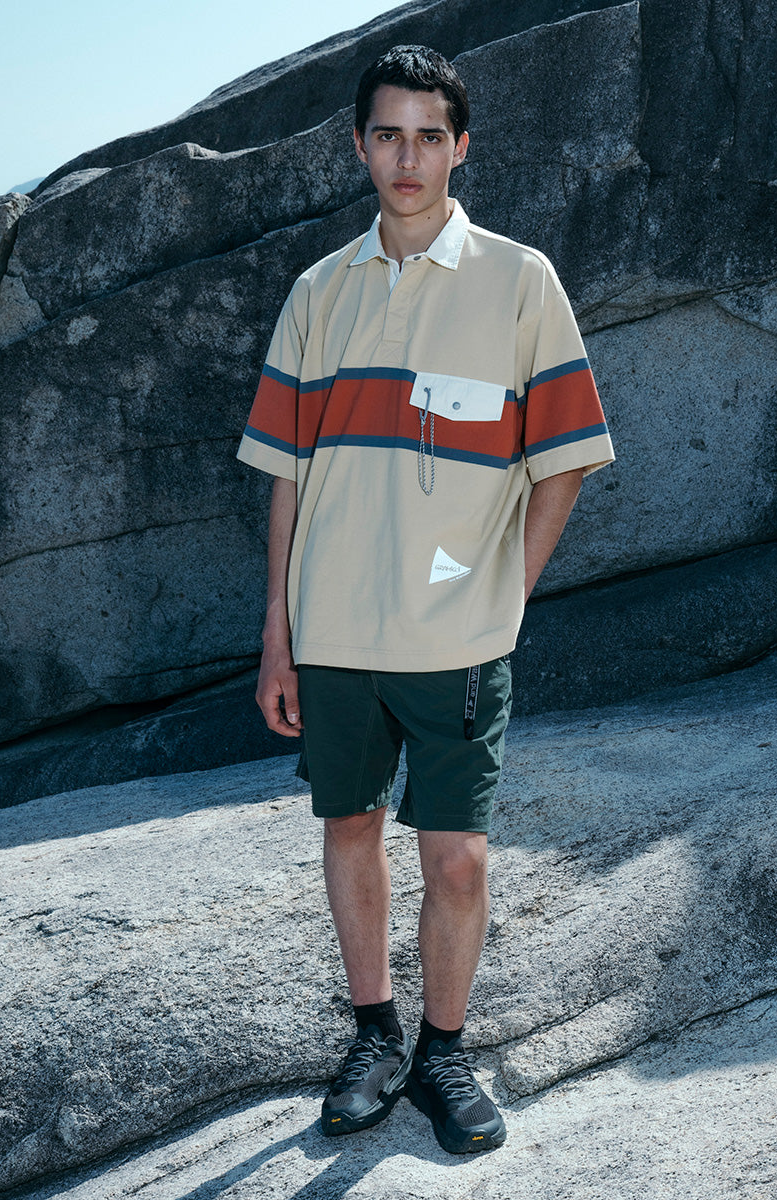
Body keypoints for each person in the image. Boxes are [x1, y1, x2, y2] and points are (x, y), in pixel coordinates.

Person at [236, 44, 613, 1155]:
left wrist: (510, 593)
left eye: (429, 136)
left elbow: (567, 461)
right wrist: (278, 634)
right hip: (335, 632)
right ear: (360, 146)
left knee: (458, 859)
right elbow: (286, 477)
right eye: (388, 135)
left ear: (461, 148)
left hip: (458, 640)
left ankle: (444, 1054)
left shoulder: (521, 281)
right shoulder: (318, 293)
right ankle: (373, 1037)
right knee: (350, 826)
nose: (408, 158)